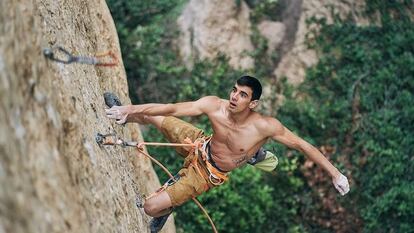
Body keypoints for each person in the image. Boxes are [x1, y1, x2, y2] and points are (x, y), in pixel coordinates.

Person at [105, 76, 350, 232]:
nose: (234, 96)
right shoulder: (216, 106)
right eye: (234, 90)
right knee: (157, 117)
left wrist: (335, 174)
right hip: (199, 144)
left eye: (243, 94)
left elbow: (303, 146)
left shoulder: (264, 126)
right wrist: (131, 109)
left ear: (253, 103)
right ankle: (124, 114)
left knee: (150, 206)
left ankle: (167, 208)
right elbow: (175, 108)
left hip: (206, 174)